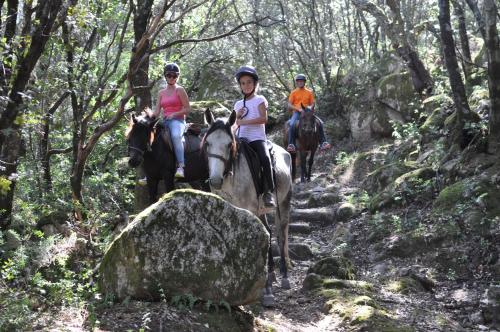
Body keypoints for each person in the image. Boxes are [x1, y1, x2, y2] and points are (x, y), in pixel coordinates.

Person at [234, 65, 276, 208]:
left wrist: (242, 121)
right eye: (243, 83)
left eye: (249, 82)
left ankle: (268, 192)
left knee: (265, 158)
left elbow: (263, 119)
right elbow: (234, 125)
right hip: (241, 139)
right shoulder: (238, 104)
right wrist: (236, 118)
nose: (246, 85)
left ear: (255, 84)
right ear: (240, 85)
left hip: (257, 138)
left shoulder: (260, 99)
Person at [151, 62, 191, 178]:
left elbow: (188, 109)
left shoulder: (180, 90)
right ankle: (149, 171)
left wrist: (174, 114)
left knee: (175, 136)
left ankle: (181, 166)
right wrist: (147, 118)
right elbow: (157, 111)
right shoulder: (161, 93)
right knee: (150, 138)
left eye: (175, 76)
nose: (172, 78)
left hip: (178, 121)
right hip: (165, 121)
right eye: (169, 75)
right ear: (165, 76)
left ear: (177, 77)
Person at [286, 73, 331, 153]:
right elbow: (289, 104)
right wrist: (298, 109)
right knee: (292, 124)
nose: (300, 83)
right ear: (297, 82)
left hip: (308, 112)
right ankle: (291, 144)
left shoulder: (309, 92)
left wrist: (310, 108)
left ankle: (323, 142)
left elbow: (313, 103)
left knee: (320, 123)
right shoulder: (293, 92)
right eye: (298, 81)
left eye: (302, 81)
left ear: (304, 82)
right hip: (297, 112)